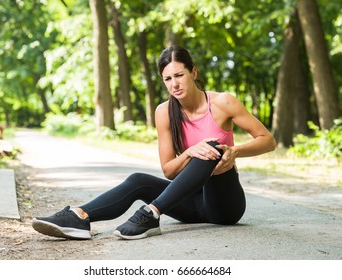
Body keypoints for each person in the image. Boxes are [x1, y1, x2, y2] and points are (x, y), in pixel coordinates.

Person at [32, 45, 276, 240]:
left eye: (179, 75)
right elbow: (169, 170)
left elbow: (268, 141)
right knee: (139, 180)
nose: (174, 84)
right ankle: (79, 217)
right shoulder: (164, 112)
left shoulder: (222, 103)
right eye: (167, 78)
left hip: (225, 204)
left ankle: (151, 213)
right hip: (191, 204)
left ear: (194, 72)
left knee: (211, 147)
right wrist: (190, 152)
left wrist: (234, 151)